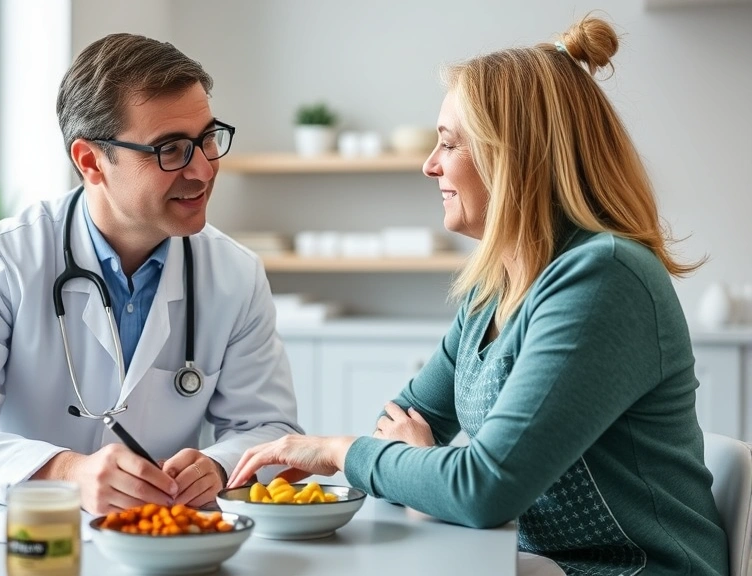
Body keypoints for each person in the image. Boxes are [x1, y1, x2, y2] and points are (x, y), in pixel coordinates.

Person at [227, 15, 728, 575]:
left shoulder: (603, 279)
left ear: (512, 156)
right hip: (534, 561)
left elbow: (481, 491)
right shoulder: (495, 287)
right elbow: (400, 421)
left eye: (448, 144)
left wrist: (338, 452)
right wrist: (420, 464)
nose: (429, 164)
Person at [0, 33, 301, 514]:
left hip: (165, 544)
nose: (203, 171)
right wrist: (65, 472)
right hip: (32, 537)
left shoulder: (235, 274)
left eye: (207, 139)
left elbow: (271, 431)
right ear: (90, 161)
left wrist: (215, 466)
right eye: (170, 150)